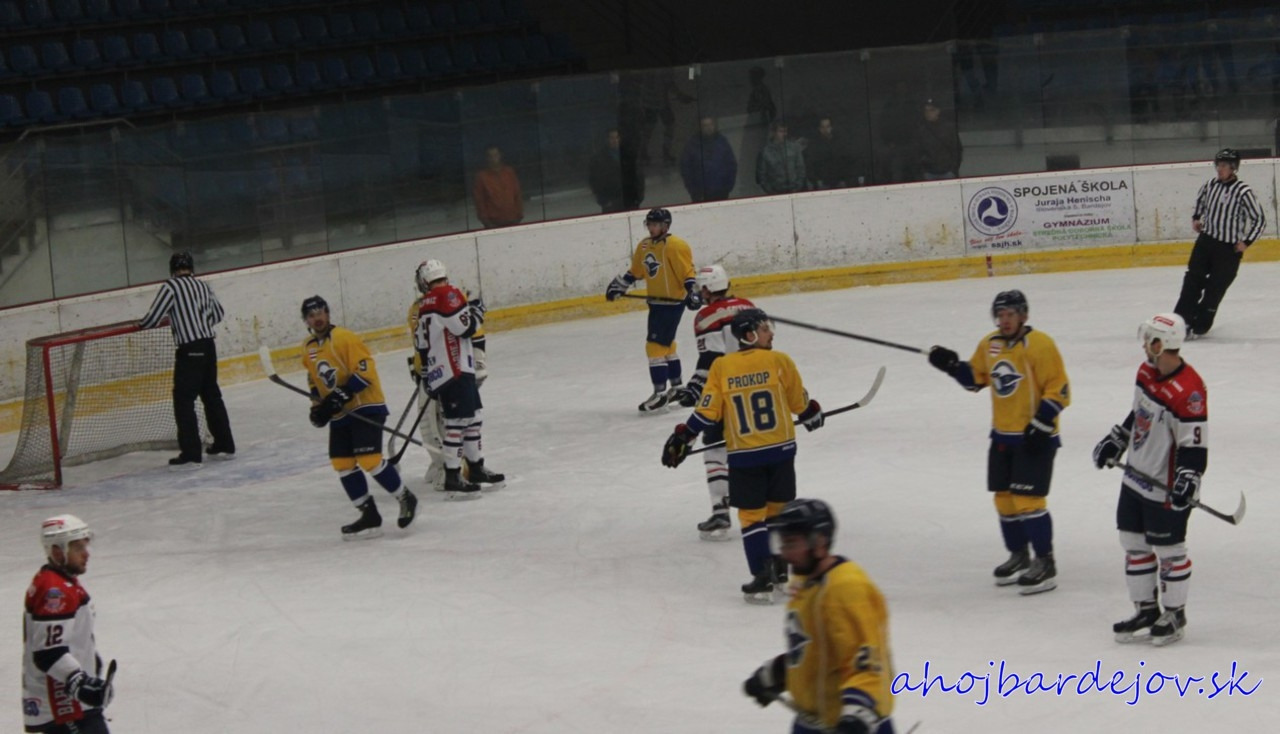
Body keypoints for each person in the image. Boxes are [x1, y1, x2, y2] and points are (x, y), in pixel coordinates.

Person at [662, 308, 825, 602]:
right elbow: (798, 403)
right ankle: (781, 572)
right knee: (777, 512)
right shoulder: (780, 361)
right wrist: (811, 411)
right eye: (765, 329)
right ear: (749, 334)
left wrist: (684, 435)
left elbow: (708, 411)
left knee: (751, 517)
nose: (771, 333)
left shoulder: (722, 367)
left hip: (745, 456)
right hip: (782, 452)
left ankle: (762, 578)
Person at [926, 290, 1070, 595]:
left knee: (1028, 501)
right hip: (1003, 436)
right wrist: (951, 366)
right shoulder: (990, 344)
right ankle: (1019, 555)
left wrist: (1042, 422)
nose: (1004, 320)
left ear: (1023, 316)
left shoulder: (1040, 344)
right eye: (1000, 315)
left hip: (1035, 437)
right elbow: (976, 380)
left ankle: (1046, 562)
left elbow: (1060, 388)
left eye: (1010, 314)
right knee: (1004, 500)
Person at [1093, 313, 1206, 646]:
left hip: (1165, 487)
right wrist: (1118, 438)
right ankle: (1145, 610)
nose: (1144, 345)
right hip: (1135, 477)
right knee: (1133, 543)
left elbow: (1194, 445)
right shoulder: (1145, 371)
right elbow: (1139, 413)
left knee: (1170, 550)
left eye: (1149, 340)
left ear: (1161, 344)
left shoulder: (1189, 391)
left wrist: (1189, 478)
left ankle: (1174, 614)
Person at [743, 499, 895, 734]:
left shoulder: (846, 588)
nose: (785, 554)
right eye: (782, 543)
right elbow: (815, 649)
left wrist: (858, 715)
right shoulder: (804, 582)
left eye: (792, 543)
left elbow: (867, 661)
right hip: (810, 724)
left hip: (854, 726)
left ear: (820, 541)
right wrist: (777, 673)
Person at [300, 295, 418, 538]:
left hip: (366, 406)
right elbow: (314, 380)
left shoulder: (344, 338)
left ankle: (405, 497)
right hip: (340, 413)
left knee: (369, 459)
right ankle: (369, 515)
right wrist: (318, 407)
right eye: (311, 315)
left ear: (328, 313)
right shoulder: (308, 347)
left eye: (320, 312)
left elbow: (366, 370)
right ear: (306, 321)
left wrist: (343, 393)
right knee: (342, 464)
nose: (317, 318)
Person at [672, 265, 756, 540]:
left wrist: (694, 388)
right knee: (755, 446)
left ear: (708, 288)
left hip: (726, 392)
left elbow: (711, 360)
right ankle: (766, 509)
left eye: (701, 287)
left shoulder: (706, 316)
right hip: (759, 386)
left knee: (716, 448)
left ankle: (721, 510)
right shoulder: (748, 306)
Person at [414, 259, 505, 497]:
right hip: (454, 369)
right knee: (457, 423)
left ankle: (475, 468)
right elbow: (465, 329)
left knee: (473, 418)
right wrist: (477, 311)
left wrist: (427, 373)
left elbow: (421, 345)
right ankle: (453, 475)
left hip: (448, 370)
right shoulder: (447, 295)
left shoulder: (424, 304)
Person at [138, 251, 236, 468]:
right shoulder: (202, 285)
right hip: (208, 345)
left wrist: (140, 325)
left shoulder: (171, 287)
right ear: (192, 268)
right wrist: (201, 322)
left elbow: (153, 317)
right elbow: (218, 314)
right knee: (211, 395)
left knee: (183, 400)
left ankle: (191, 453)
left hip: (190, 348)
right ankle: (225, 443)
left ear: (172, 269)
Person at [24, 515, 115, 734]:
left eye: (85, 546)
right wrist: (80, 684)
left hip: (68, 703)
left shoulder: (61, 581)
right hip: (63, 706)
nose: (86, 553)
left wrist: (90, 666)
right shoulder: (54, 591)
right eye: (78, 548)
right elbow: (48, 653)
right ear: (57, 552)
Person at [605, 208, 699, 411]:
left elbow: (687, 273)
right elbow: (636, 271)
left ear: (665, 226)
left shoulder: (676, 246)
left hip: (672, 304)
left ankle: (660, 394)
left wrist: (693, 292)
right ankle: (677, 387)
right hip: (656, 304)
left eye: (655, 224)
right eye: (649, 224)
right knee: (667, 345)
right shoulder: (644, 245)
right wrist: (620, 286)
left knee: (654, 346)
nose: (651, 228)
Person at [1173, 148, 1266, 338]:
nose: (1219, 169)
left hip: (1228, 250)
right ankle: (1181, 320)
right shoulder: (1210, 185)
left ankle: (1200, 325)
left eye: (1224, 165)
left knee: (1215, 288)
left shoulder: (1243, 191)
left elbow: (1260, 219)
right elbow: (1200, 201)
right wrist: (1196, 218)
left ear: (1233, 168)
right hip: (1205, 242)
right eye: (1218, 165)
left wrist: (1247, 242)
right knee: (1192, 280)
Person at [679, 117, 738, 203]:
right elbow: (686, 169)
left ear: (714, 125)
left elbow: (731, 165)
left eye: (711, 124)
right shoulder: (692, 144)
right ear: (700, 128)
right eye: (705, 125)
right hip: (700, 194)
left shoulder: (722, 142)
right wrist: (693, 190)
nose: (709, 128)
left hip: (721, 191)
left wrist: (728, 186)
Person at [587, 128, 644, 214]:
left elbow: (639, 176)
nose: (615, 140)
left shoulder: (629, 154)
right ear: (607, 139)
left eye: (617, 137)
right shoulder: (599, 158)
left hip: (630, 201)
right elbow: (594, 180)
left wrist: (638, 197)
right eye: (612, 138)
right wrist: (603, 201)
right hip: (611, 202)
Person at [472, 145, 523, 228]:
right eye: (490, 156)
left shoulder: (509, 172)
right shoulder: (481, 177)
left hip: (513, 219)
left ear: (500, 155)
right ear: (486, 158)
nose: (493, 158)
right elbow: (479, 200)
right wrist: (486, 221)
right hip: (493, 222)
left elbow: (517, 193)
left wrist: (519, 214)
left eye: (496, 155)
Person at [805, 117, 857, 190]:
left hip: (839, 182)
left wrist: (844, 179)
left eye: (828, 126)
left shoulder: (840, 143)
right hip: (822, 183)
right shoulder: (814, 145)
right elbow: (811, 164)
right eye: (823, 127)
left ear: (831, 127)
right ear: (819, 129)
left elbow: (846, 161)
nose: (825, 129)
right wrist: (816, 180)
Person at [755, 120, 806, 195]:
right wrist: (772, 192)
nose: (784, 134)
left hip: (795, 191)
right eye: (781, 131)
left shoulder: (794, 148)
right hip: (776, 193)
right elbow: (762, 177)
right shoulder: (765, 152)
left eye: (785, 131)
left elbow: (801, 169)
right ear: (773, 133)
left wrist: (797, 187)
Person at [917, 98, 962, 180]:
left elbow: (957, 150)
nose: (928, 113)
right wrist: (923, 171)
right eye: (926, 111)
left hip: (947, 172)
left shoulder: (948, 128)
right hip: (928, 173)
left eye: (932, 110)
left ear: (938, 111)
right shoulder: (921, 130)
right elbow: (917, 152)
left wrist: (953, 170)